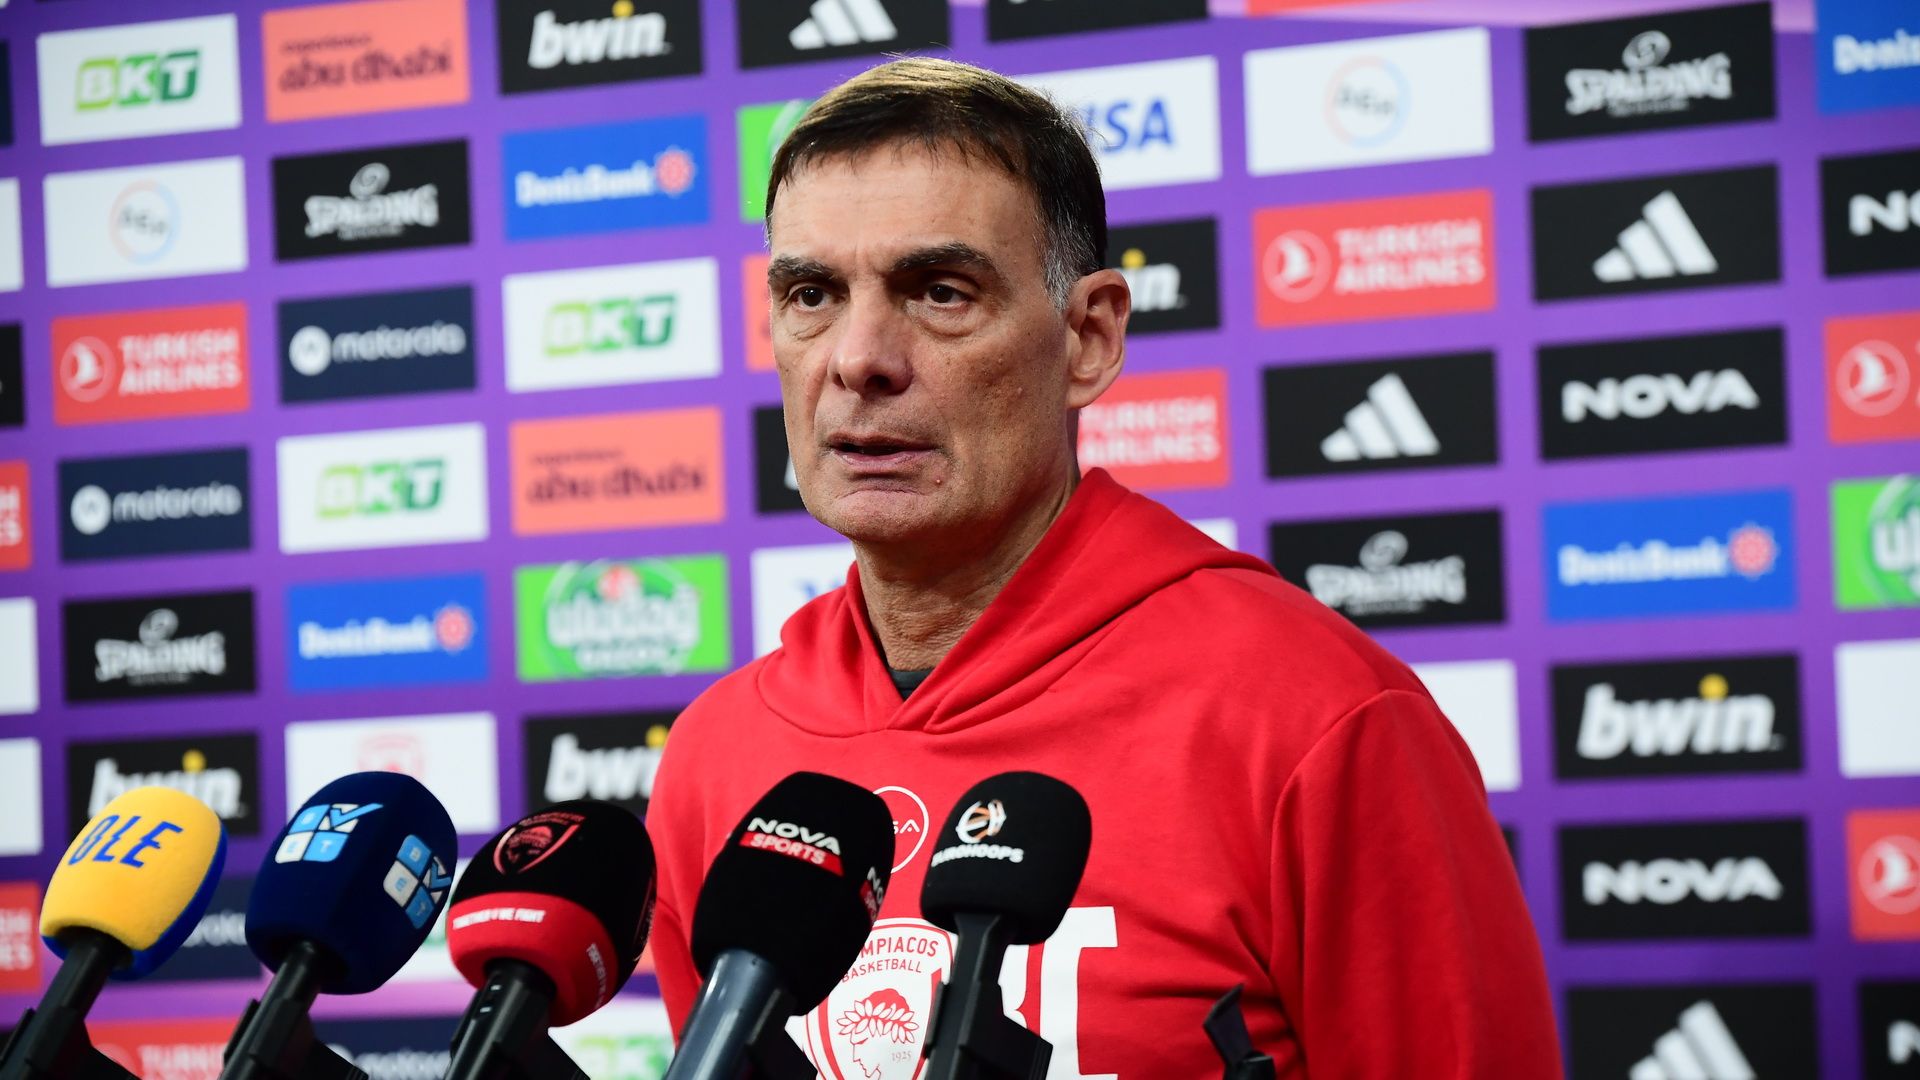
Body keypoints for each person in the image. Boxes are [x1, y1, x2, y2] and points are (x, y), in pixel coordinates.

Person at [645, 57, 1562, 1078]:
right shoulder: (717, 757)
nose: (858, 358)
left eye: (940, 292)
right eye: (811, 294)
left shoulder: (1319, 720)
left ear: (1089, 337)